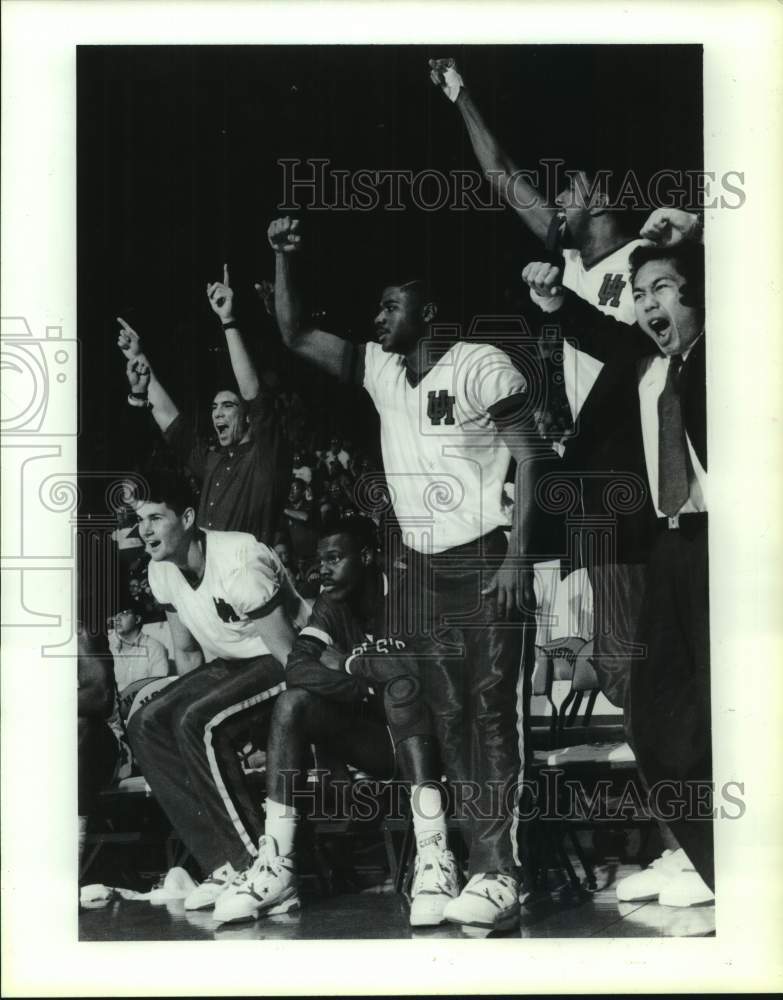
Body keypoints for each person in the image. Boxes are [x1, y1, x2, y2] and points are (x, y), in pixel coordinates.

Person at [264, 216, 540, 932]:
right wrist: (282, 258)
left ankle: (499, 872)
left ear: (426, 313)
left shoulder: (480, 364)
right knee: (444, 719)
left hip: (484, 558)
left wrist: (516, 554)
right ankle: (452, 865)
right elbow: (294, 334)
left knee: (489, 716)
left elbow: (533, 456)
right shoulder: (382, 370)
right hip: (416, 567)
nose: (375, 318)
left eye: (389, 307)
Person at [429, 56, 648, 711]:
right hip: (582, 467)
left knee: (624, 649)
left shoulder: (643, 263)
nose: (556, 199)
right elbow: (503, 180)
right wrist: (458, 92)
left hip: (629, 460)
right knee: (599, 649)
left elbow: (630, 356)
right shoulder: (573, 264)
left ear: (603, 197)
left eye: (571, 188)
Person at [522, 237, 712, 906]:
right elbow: (600, 330)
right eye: (639, 295)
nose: (646, 305)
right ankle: (704, 854)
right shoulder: (644, 361)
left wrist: (692, 232)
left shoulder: (725, 355)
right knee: (657, 713)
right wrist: (553, 300)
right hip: (667, 546)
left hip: (723, 543)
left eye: (661, 289)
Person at [213, 516, 459, 927]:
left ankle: (435, 856)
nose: (322, 569)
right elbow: (297, 667)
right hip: (379, 740)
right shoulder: (329, 604)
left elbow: (421, 671)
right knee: (293, 703)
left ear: (365, 557)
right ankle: (278, 864)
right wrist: (361, 681)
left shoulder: (409, 591)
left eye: (334, 558)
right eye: (319, 560)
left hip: (436, 741)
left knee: (403, 691)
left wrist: (352, 663)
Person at [126, 473, 310, 911]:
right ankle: (222, 866)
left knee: (199, 723)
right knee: (146, 721)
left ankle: (259, 870)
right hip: (235, 663)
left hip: (288, 656)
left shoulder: (239, 557)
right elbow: (187, 655)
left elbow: (289, 656)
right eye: (139, 520)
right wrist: (185, 702)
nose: (145, 530)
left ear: (188, 518)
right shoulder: (160, 570)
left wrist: (231, 717)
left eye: (155, 517)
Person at [117, 263, 290, 545]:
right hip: (209, 583)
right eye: (213, 408)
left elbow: (253, 392)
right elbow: (169, 418)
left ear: (248, 417)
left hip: (245, 583)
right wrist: (136, 356)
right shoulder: (211, 461)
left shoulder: (265, 457)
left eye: (227, 406)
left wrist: (228, 320)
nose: (217, 413)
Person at [77, 623, 120, 871]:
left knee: (78, 725)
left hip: (98, 748)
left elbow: (100, 697)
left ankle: (71, 856)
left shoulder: (80, 629)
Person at [108, 606, 170, 691]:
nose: (117, 618)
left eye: (124, 613)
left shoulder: (155, 648)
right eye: (115, 615)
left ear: (137, 619)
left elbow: (158, 687)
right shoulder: (110, 650)